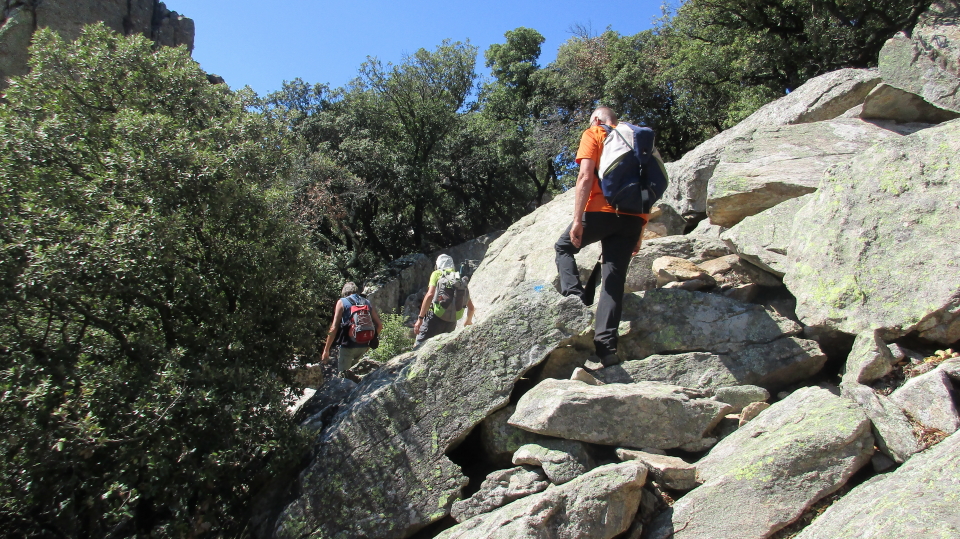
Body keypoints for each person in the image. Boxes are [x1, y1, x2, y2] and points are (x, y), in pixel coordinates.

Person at [555, 107, 649, 367]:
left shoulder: (595, 132)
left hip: (600, 212)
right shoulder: (639, 140)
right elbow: (648, 187)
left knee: (563, 247)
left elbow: (585, 176)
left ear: (597, 119)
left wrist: (577, 220)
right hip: (632, 218)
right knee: (613, 282)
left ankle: (575, 301)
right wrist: (641, 229)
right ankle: (607, 350)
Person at [321, 282, 383, 377]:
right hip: (363, 345)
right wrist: (369, 343)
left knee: (343, 378)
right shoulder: (366, 302)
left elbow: (334, 328)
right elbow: (379, 326)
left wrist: (326, 350)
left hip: (348, 346)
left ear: (344, 292)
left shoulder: (342, 302)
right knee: (357, 377)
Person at [414, 254, 475, 347]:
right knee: (443, 348)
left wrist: (420, 319)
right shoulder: (458, 278)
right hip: (452, 321)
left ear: (438, 264)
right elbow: (471, 308)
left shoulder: (437, 273)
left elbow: (430, 295)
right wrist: (468, 321)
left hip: (435, 318)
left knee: (419, 346)